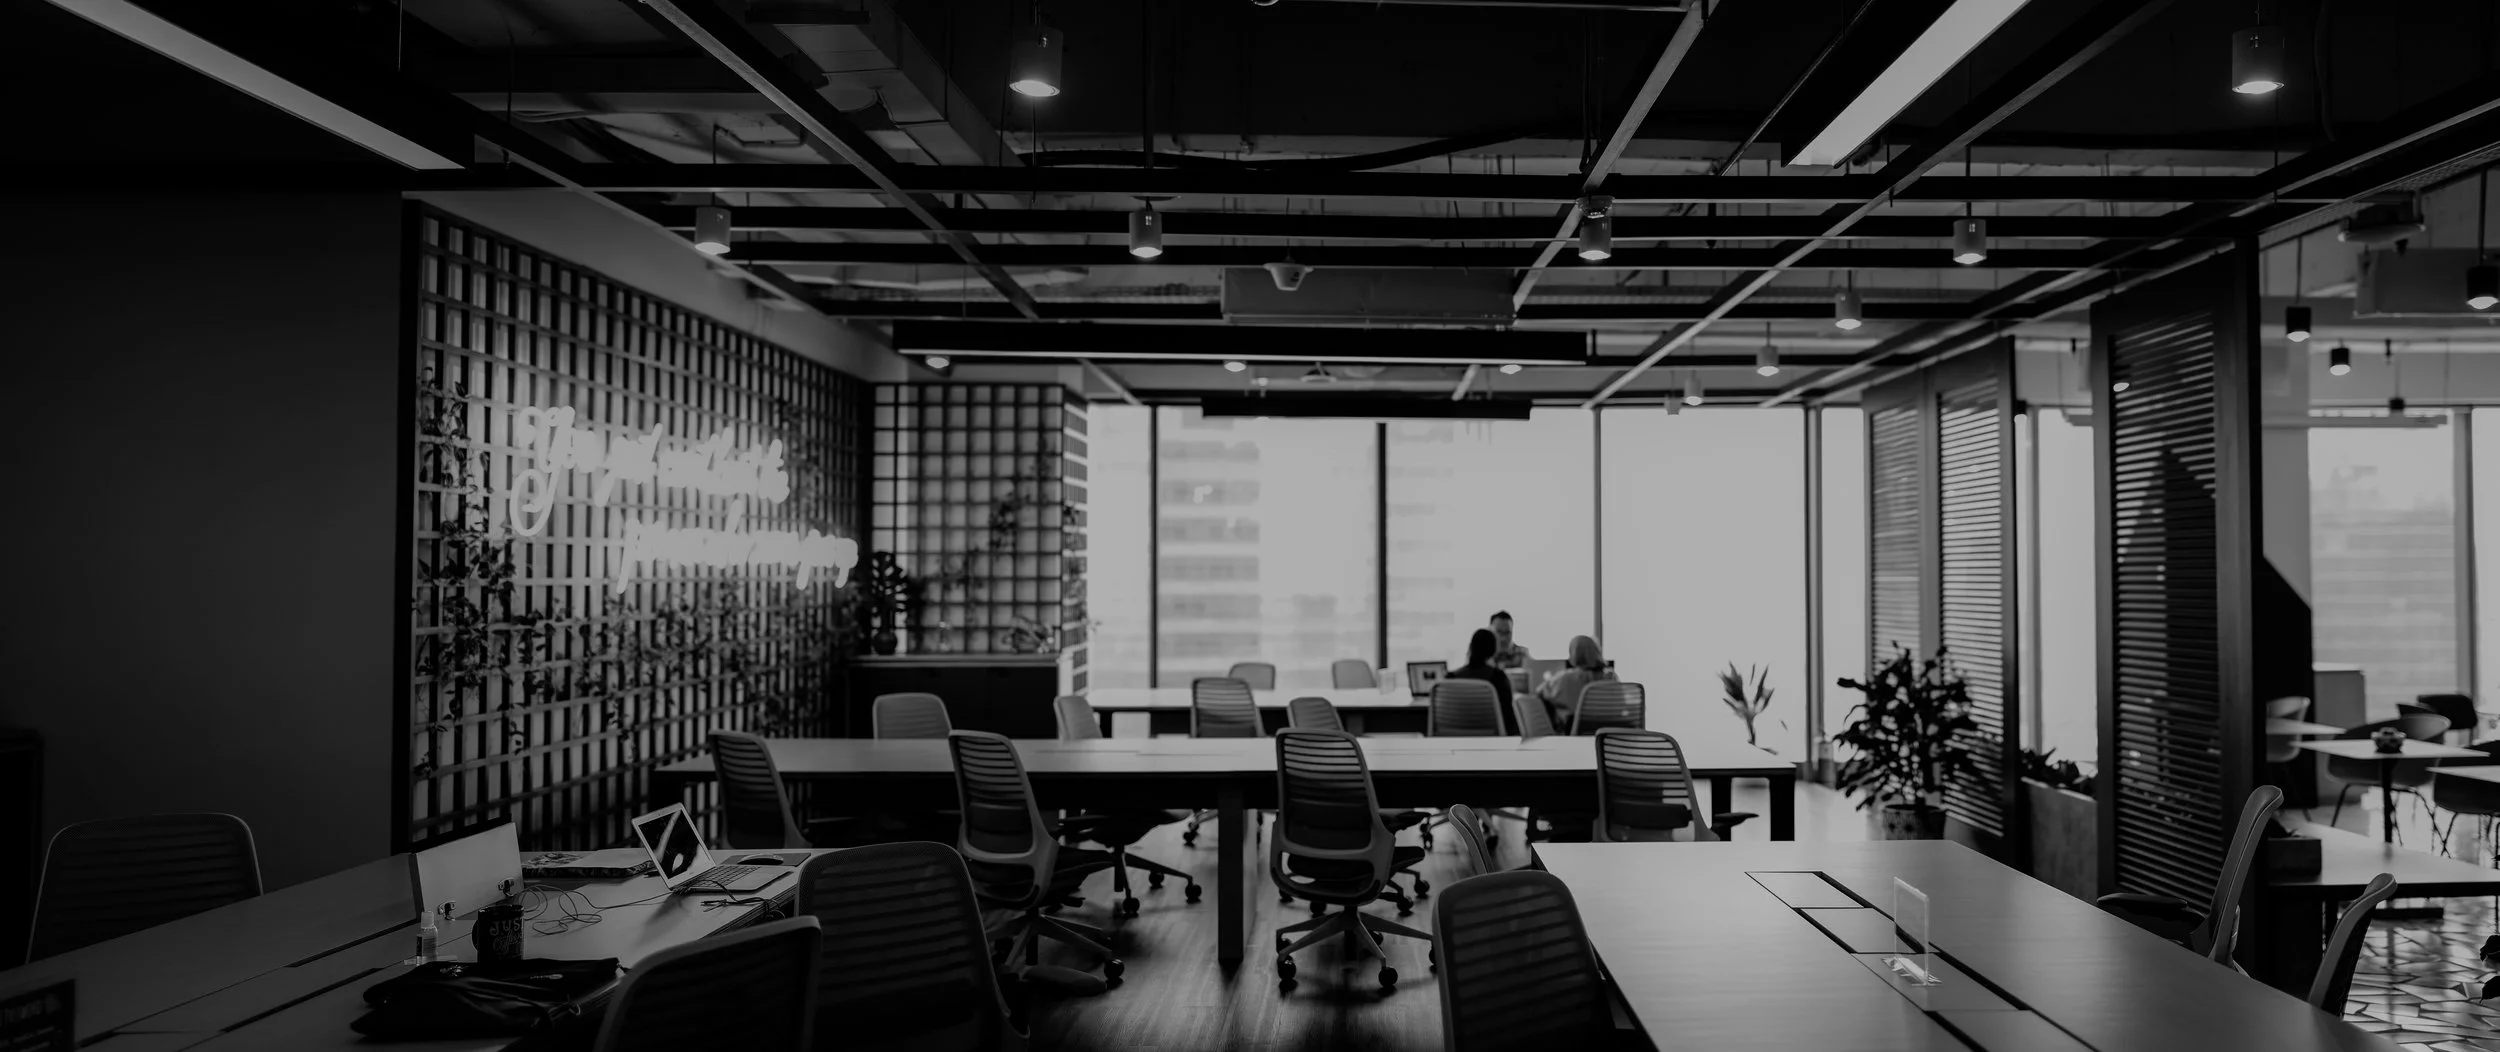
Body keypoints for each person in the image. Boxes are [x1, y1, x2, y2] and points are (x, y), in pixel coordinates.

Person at [1449, 628, 1518, 734]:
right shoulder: (1498, 678)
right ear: (1494, 650)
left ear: (1471, 647)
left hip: (1454, 738)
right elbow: (1508, 717)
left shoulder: (1450, 678)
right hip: (1492, 739)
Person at [1539, 635, 1614, 731]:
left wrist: (1549, 679)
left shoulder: (1565, 679)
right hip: (1610, 736)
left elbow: (1541, 692)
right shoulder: (1612, 678)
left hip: (1578, 736)